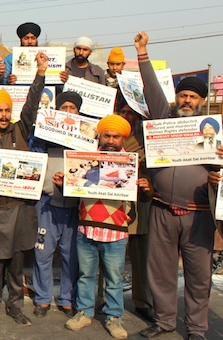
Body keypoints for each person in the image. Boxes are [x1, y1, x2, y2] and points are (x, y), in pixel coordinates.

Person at [135, 31, 216, 340]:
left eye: (193, 97)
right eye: (183, 95)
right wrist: (142, 52)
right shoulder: (164, 119)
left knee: (198, 276)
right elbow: (152, 88)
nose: (187, 100)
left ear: (202, 102)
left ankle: (197, 329)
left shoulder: (212, 131)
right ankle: (165, 321)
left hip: (199, 215)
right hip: (162, 209)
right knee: (161, 272)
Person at [60, 114, 152, 339]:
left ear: (123, 138)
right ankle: (84, 312)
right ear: (100, 136)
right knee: (85, 275)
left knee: (114, 278)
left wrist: (146, 188)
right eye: (107, 135)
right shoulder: (85, 159)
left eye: (116, 136)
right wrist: (63, 182)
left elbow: (144, 197)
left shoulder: (132, 163)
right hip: (87, 227)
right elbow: (75, 185)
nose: (110, 140)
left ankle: (113, 318)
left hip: (116, 230)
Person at [0, 51, 47, 327]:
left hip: (20, 210)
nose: (3, 115)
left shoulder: (21, 129)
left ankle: (16, 307)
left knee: (17, 265)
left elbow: (32, 103)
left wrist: (40, 72)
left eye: (6, 110)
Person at [30, 91, 84, 319]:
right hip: (47, 201)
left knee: (71, 255)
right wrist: (42, 132)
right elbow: (33, 154)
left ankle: (67, 299)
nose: (69, 112)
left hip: (74, 204)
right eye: (65, 108)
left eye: (73, 109)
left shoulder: (85, 137)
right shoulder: (43, 134)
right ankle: (42, 298)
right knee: (43, 252)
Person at [117, 96, 154, 323]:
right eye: (122, 111)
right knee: (109, 256)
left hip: (140, 205)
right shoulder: (109, 137)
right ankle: (104, 299)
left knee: (142, 258)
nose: (125, 116)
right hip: (114, 206)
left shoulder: (147, 140)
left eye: (130, 112)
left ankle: (143, 302)